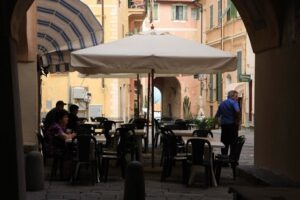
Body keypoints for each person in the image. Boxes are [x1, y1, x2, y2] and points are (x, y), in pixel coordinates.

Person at [44, 109, 76, 180]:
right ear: (60, 119)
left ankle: (68, 173)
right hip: (54, 150)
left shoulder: (58, 126)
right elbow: (65, 137)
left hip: (57, 148)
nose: (67, 118)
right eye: (65, 117)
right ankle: (69, 174)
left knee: (72, 151)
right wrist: (74, 134)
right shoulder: (56, 127)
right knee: (73, 153)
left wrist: (68, 133)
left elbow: (64, 134)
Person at [215, 90, 241, 159]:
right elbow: (237, 111)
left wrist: (218, 123)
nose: (237, 98)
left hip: (224, 126)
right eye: (236, 96)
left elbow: (217, 115)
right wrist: (238, 122)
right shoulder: (234, 103)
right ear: (232, 96)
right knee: (233, 143)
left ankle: (224, 159)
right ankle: (232, 159)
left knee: (224, 143)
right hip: (232, 126)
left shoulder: (222, 103)